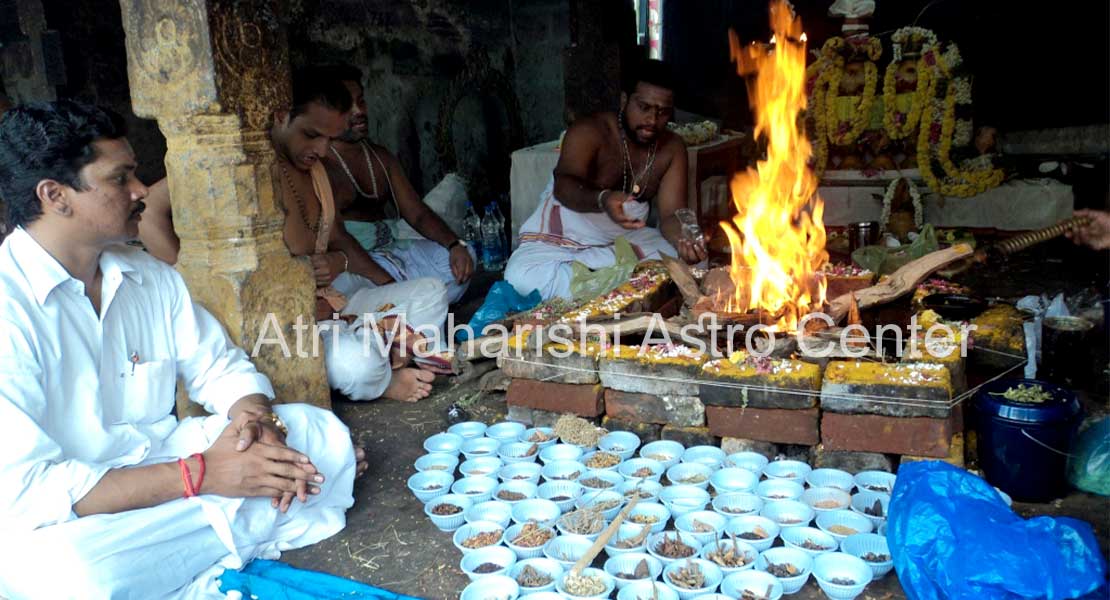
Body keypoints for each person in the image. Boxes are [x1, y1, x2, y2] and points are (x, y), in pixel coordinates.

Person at [0, 100, 357, 599]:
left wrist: (257, 427)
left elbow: (220, 369)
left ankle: (206, 534)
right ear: (55, 195)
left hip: (168, 468)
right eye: (120, 178)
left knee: (320, 433)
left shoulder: (148, 276)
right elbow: (29, 491)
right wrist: (204, 475)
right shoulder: (9, 309)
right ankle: (245, 517)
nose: (141, 190)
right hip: (79, 514)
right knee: (70, 576)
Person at [269, 70, 449, 403]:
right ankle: (387, 376)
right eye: (312, 135)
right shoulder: (251, 171)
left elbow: (339, 240)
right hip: (293, 322)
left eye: (330, 139)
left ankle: (385, 350)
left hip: (335, 302)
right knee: (357, 368)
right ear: (282, 116)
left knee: (431, 291)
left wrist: (342, 264)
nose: (322, 150)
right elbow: (161, 213)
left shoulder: (315, 172)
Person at [505, 59, 707, 301]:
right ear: (624, 100)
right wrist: (602, 199)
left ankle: (605, 287)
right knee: (521, 278)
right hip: (563, 243)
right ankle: (622, 288)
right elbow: (564, 186)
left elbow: (671, 215)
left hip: (622, 241)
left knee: (696, 263)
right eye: (643, 107)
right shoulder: (590, 131)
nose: (652, 120)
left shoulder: (671, 148)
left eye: (662, 112)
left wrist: (683, 240)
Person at [319, 63, 475, 304]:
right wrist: (388, 284)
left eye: (361, 102)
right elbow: (337, 240)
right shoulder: (320, 166)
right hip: (359, 266)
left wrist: (454, 245)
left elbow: (417, 214)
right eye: (346, 106)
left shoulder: (380, 157)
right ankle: (414, 301)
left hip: (395, 252)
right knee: (341, 291)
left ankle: (412, 302)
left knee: (465, 256)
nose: (358, 111)